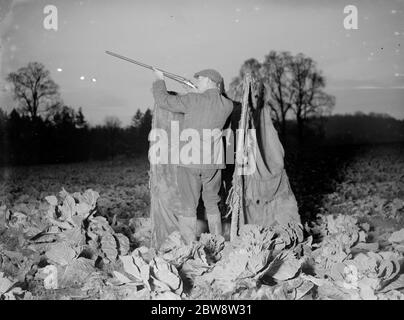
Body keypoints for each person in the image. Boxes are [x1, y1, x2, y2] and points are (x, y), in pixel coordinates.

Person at [151, 68, 233, 243]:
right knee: (212, 203)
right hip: (213, 163)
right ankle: (217, 242)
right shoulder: (227, 105)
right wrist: (196, 91)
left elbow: (163, 100)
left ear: (211, 81)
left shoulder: (193, 100)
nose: (197, 82)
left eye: (201, 80)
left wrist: (159, 79)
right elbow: (208, 103)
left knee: (189, 205)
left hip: (190, 162)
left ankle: (189, 245)